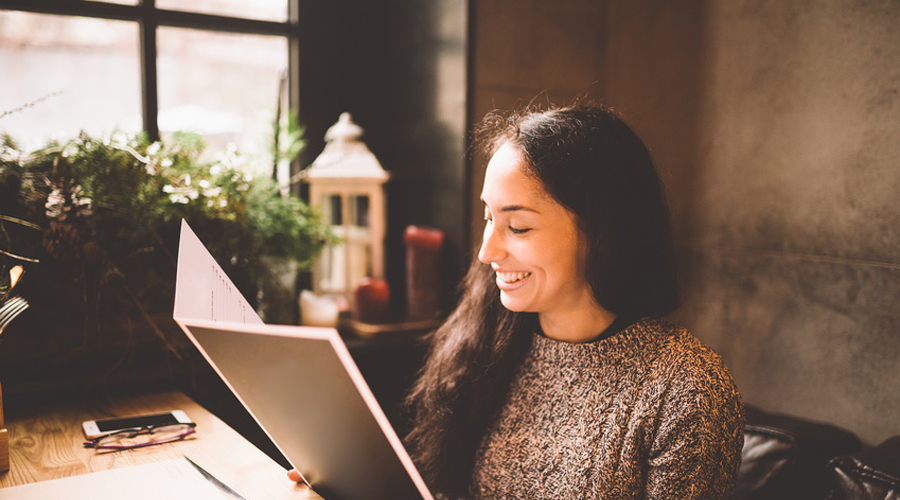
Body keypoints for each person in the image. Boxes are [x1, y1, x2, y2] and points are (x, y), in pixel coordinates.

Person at [401, 103, 744, 499]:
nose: (486, 252)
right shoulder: (490, 343)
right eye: (488, 217)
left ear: (602, 231)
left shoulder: (687, 389)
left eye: (518, 226)